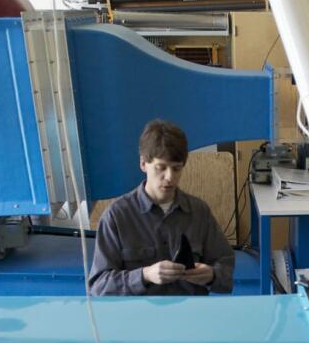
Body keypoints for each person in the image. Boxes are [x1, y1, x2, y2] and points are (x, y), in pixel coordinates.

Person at [88, 120, 234, 296]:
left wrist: (211, 275)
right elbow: (99, 287)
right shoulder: (116, 217)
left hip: (190, 315)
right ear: (143, 164)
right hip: (140, 317)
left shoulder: (199, 212)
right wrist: (144, 275)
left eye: (176, 168)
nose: (170, 177)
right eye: (161, 168)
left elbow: (225, 266)